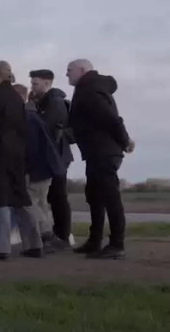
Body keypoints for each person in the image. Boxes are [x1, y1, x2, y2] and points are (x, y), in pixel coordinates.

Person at [66, 59, 135, 259]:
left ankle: (116, 244)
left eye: (69, 70)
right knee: (94, 196)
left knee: (109, 196)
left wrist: (125, 140)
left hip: (104, 151)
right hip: (96, 151)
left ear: (81, 70)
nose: (67, 74)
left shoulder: (90, 88)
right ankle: (95, 240)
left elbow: (110, 117)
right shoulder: (88, 87)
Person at [0, 61, 43, 260]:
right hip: (16, 156)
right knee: (20, 200)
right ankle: (34, 244)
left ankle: (0, 248)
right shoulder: (15, 97)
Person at [14, 84, 66, 252]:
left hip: (36, 169)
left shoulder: (25, 118)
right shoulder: (34, 115)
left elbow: (30, 148)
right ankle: (48, 239)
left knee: (28, 204)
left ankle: (47, 235)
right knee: (41, 203)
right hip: (47, 167)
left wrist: (24, 169)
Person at [30, 69, 75, 248]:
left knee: (57, 196)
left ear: (47, 83)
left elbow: (45, 129)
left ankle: (62, 236)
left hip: (57, 156)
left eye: (35, 83)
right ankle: (60, 234)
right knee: (53, 197)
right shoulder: (46, 101)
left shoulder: (55, 103)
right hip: (55, 155)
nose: (32, 87)